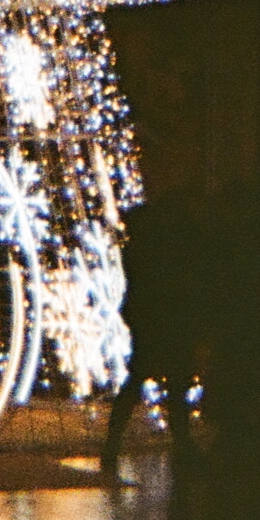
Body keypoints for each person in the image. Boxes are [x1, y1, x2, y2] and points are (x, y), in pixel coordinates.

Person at [101, 192, 203, 474]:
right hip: (163, 317)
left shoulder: (142, 246)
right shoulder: (164, 248)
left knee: (144, 380)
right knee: (172, 382)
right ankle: (181, 443)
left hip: (150, 317)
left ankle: (114, 444)